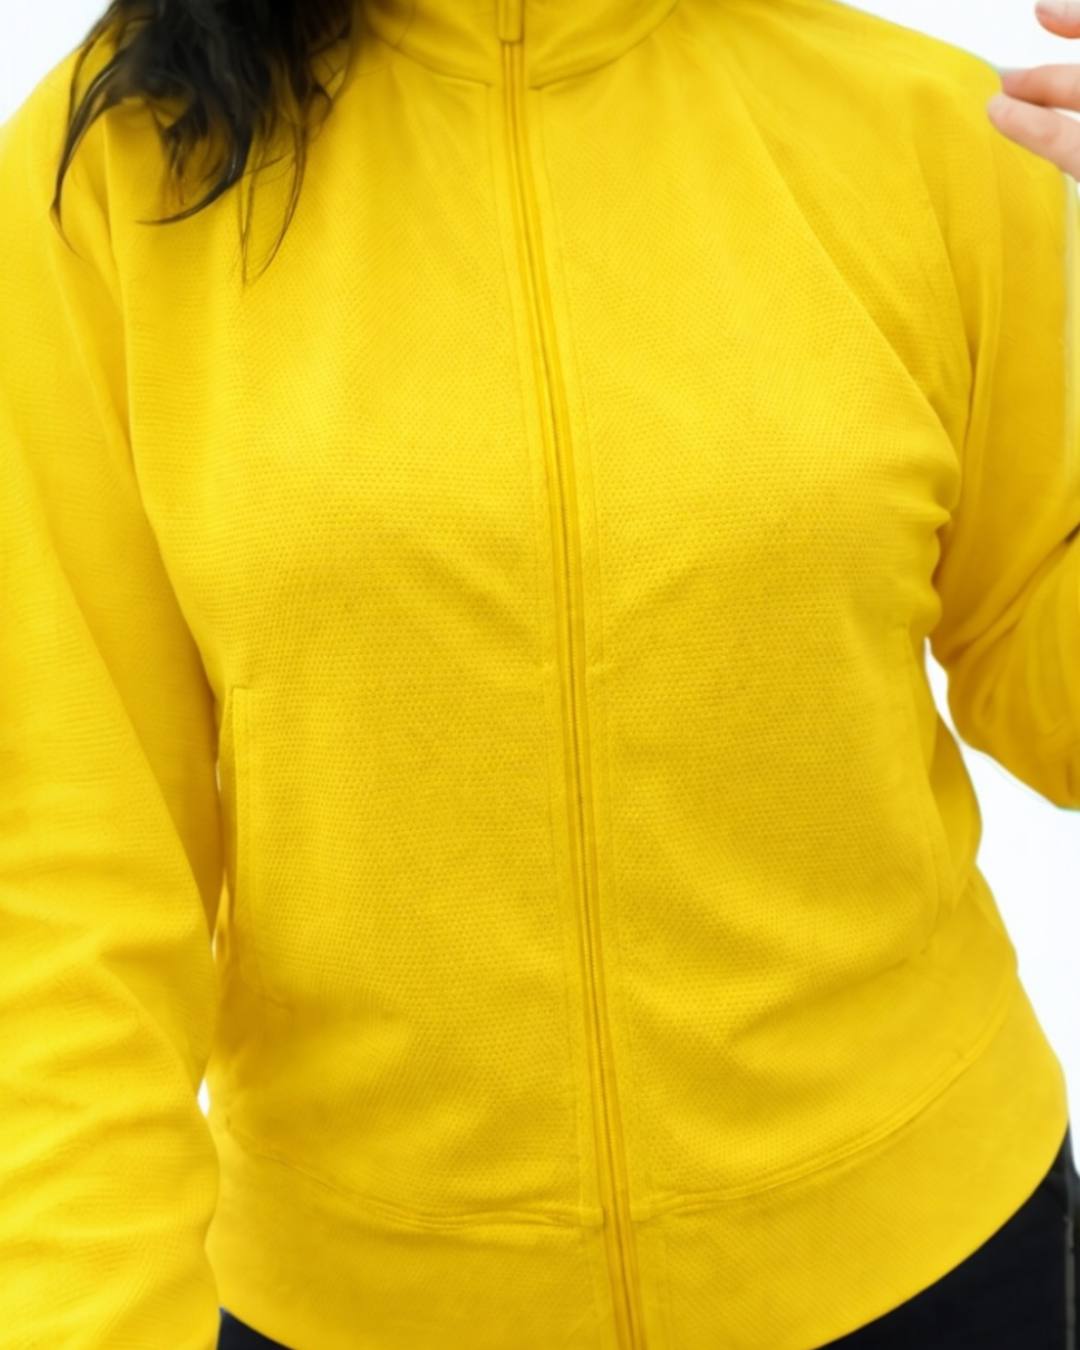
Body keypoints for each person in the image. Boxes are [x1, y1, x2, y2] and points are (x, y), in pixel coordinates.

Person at [2, 0, 1079, 1345]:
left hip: (940, 1259)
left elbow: (1048, 681)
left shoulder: (931, 125)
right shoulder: (110, 173)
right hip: (353, 1309)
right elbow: (64, 880)